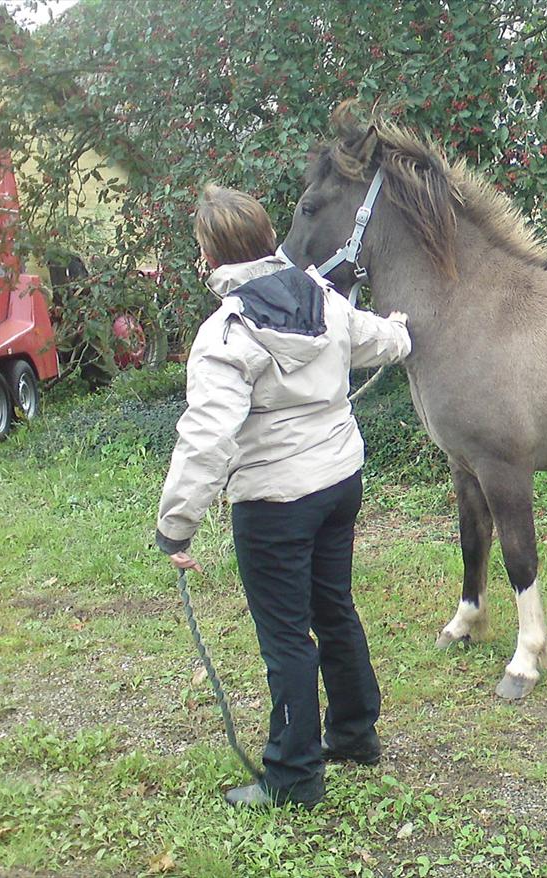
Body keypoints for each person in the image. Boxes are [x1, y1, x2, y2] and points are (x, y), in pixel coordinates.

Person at [155, 184, 412, 808]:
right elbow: (379, 340)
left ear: (209, 259)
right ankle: (353, 734)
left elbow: (206, 438)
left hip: (275, 503)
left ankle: (294, 776)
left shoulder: (226, 333)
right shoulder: (321, 297)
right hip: (338, 484)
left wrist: (176, 527)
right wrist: (402, 330)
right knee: (333, 609)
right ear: (269, 238)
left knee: (286, 637)